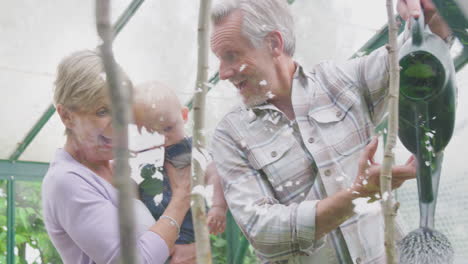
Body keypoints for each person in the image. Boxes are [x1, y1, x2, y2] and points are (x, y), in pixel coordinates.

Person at [209, 0, 452, 263]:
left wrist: (430, 13)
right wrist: (357, 195)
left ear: (273, 44)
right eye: (220, 60)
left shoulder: (341, 83)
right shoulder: (230, 135)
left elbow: (417, 53)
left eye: (231, 55)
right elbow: (264, 233)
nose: (222, 73)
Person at [42, 50, 191, 264]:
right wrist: (181, 198)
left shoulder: (117, 168)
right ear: (67, 116)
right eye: (102, 112)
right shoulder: (66, 181)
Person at [132, 81, 228, 240]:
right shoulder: (144, 157)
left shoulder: (192, 151)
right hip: (155, 234)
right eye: (151, 132)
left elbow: (214, 174)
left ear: (184, 115)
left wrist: (218, 207)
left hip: (188, 232)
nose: (162, 138)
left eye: (168, 128)